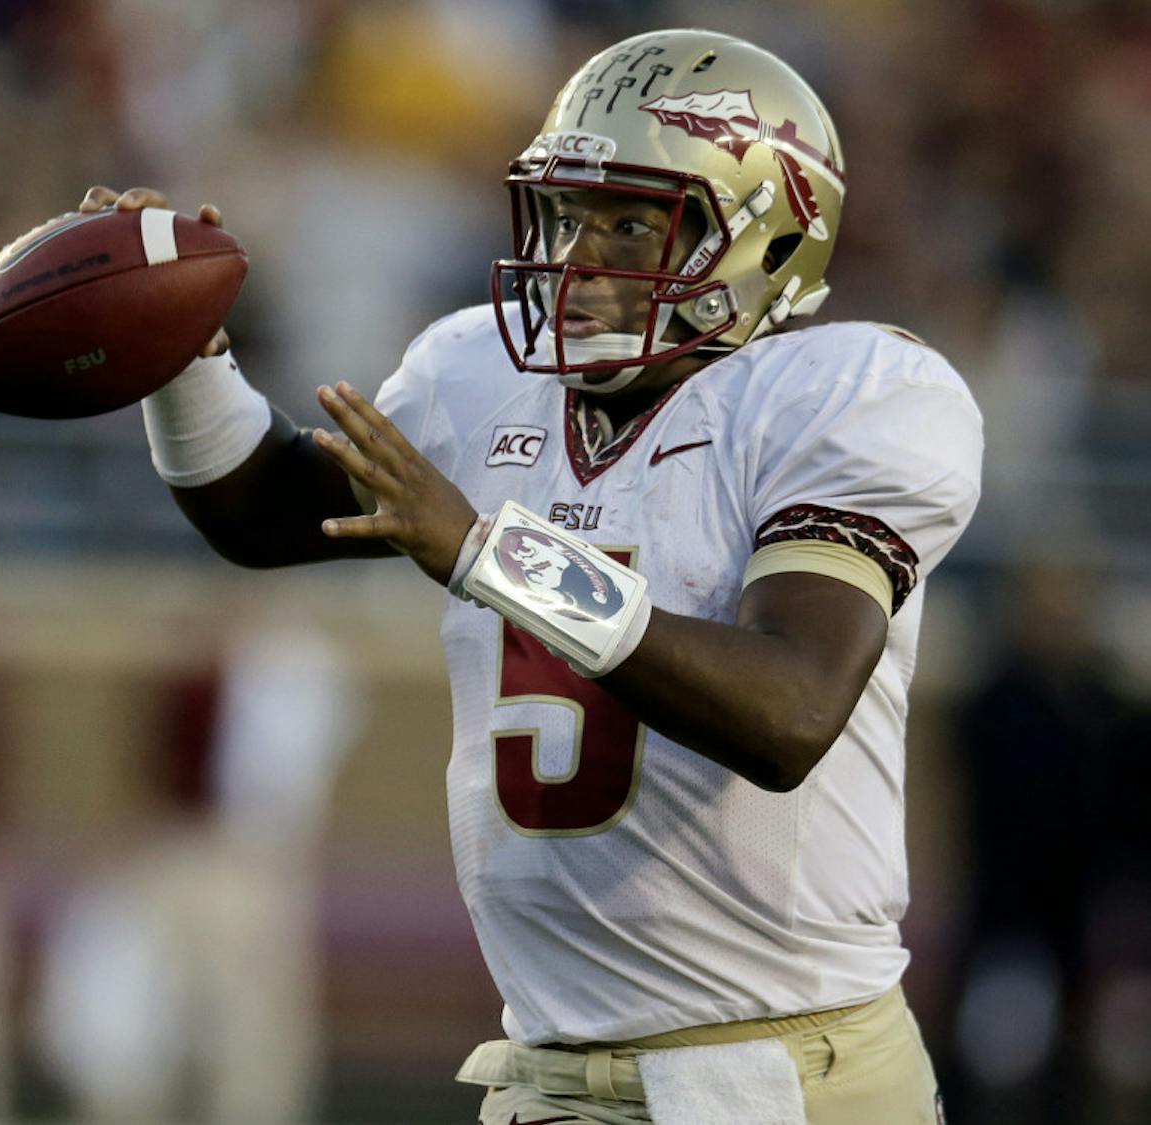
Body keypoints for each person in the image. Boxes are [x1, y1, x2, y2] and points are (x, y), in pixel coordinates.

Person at [84, 28, 981, 1125]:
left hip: (781, 1073)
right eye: (567, 215)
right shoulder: (480, 375)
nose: (577, 259)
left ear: (765, 234)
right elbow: (269, 514)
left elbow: (789, 709)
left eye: (630, 223)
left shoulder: (846, 394)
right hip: (548, 1073)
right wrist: (179, 353)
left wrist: (485, 553)